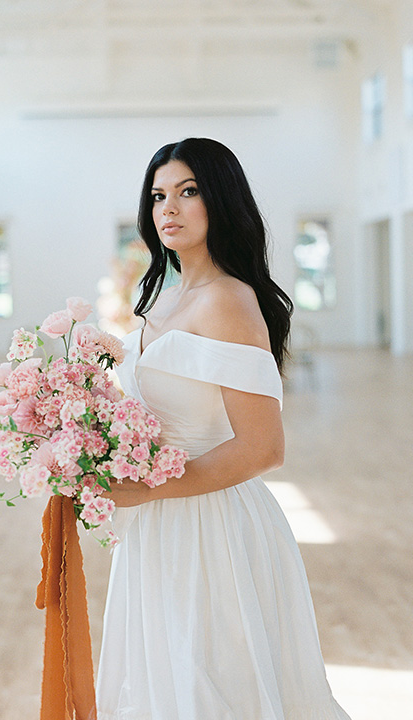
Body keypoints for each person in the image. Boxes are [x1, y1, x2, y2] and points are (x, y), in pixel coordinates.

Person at [96, 138, 351, 720]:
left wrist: (148, 488)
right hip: (157, 531)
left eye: (189, 192)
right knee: (161, 688)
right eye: (159, 195)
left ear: (221, 200)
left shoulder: (229, 301)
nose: (170, 208)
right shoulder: (158, 299)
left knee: (212, 692)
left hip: (213, 532)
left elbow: (264, 448)